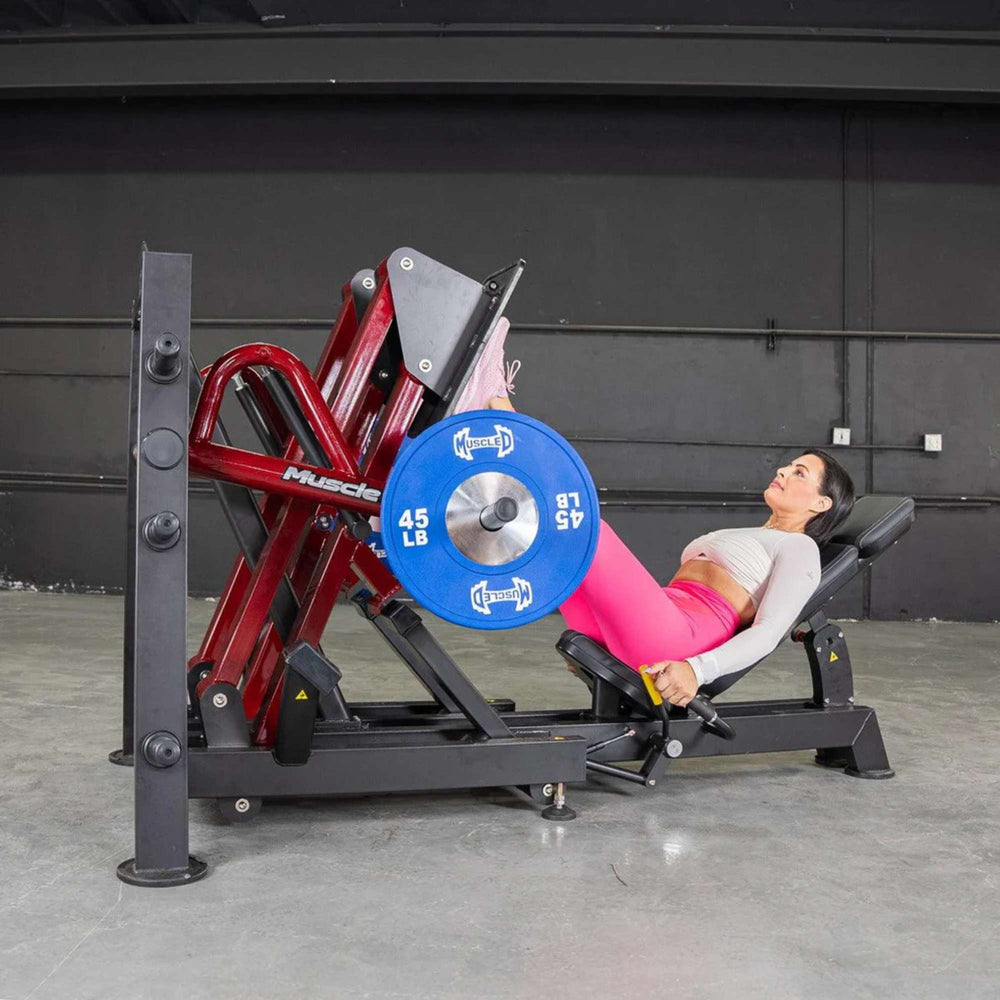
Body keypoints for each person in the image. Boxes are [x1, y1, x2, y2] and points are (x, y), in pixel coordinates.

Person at [457, 321, 855, 709]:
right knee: (552, 537)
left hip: (675, 641)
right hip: (648, 624)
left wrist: (696, 671)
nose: (783, 471)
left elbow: (769, 632)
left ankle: (496, 407)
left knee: (582, 524)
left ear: (821, 504)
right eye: (788, 465)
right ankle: (480, 431)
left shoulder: (800, 548)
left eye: (799, 473)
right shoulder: (757, 534)